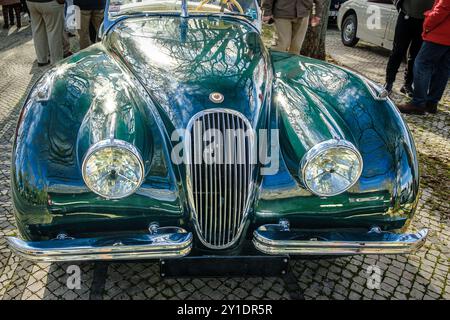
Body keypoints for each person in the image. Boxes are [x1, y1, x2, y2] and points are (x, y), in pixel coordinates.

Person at [397, 0, 450, 115]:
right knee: (443, 68)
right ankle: (431, 103)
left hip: (440, 33)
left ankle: (418, 103)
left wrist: (427, 23)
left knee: (421, 63)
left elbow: (441, 10)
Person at [384, 0, 435, 96]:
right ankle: (389, 82)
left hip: (424, 21)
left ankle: (407, 85)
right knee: (397, 51)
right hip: (405, 16)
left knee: (415, 55)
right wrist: (398, 5)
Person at [26, 0, 65, 66]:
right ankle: (56, 61)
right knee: (54, 32)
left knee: (38, 30)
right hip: (50, 2)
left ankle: (41, 59)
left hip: (31, 2)